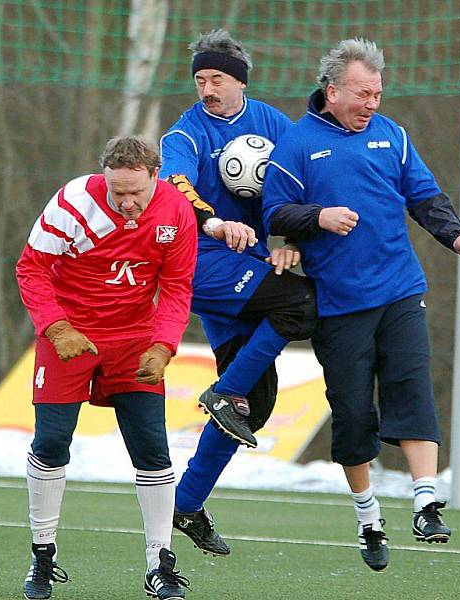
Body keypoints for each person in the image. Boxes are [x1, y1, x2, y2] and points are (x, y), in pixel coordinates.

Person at [262, 38, 460, 572]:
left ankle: (427, 502)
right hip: (340, 304)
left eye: (379, 94)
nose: (373, 104)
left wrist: (456, 237)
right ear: (332, 90)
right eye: (364, 93)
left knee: (411, 383)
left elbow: (425, 197)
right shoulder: (297, 145)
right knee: (354, 412)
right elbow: (275, 213)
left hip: (400, 289)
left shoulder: (394, 136)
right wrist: (317, 218)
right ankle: (368, 520)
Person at [15, 136, 195, 599]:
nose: (127, 202)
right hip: (69, 337)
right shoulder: (73, 202)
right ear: (106, 179)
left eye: (136, 192)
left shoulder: (176, 212)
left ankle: (161, 564)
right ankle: (42, 556)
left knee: (153, 451)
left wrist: (163, 347)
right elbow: (31, 268)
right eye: (118, 193)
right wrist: (56, 329)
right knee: (51, 441)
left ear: (156, 176)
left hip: (133, 342)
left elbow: (175, 287)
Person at [160, 29, 317, 556]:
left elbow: (305, 180)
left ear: (241, 82)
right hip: (203, 262)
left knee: (256, 403)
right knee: (300, 302)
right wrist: (211, 222)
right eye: (200, 79)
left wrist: (292, 237)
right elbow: (176, 186)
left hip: (248, 265)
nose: (207, 89)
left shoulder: (274, 123)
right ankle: (224, 394)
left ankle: (184, 503)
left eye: (217, 79)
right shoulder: (184, 133)